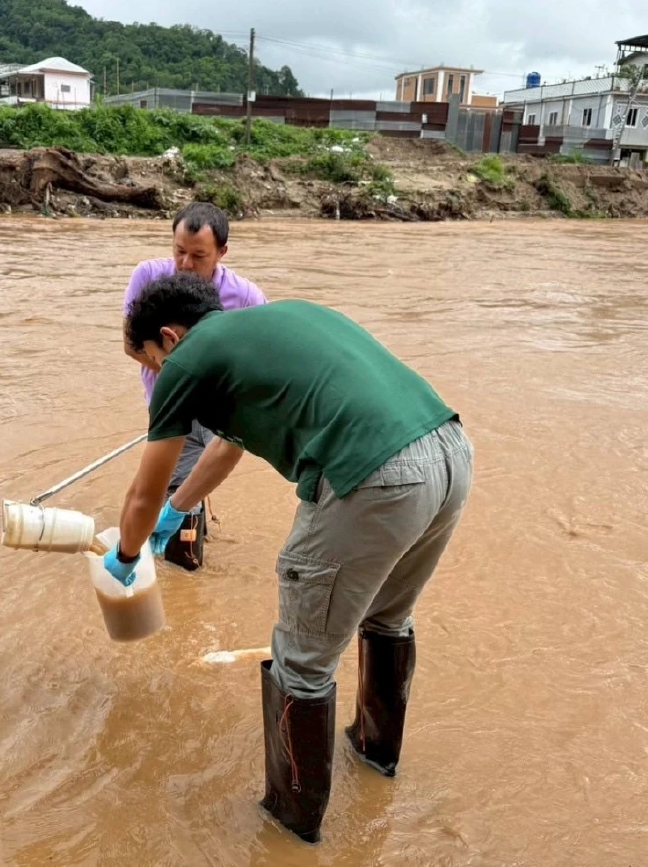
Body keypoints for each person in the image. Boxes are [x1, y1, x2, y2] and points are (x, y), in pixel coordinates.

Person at [104, 273, 473, 844]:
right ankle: (376, 763)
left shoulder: (185, 361)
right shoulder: (275, 323)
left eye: (150, 361)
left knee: (300, 663)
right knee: (386, 619)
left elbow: (139, 494)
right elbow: (228, 446)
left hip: (375, 476)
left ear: (170, 339)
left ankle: (288, 827)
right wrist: (181, 509)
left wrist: (126, 553)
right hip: (449, 456)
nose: (155, 375)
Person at [122, 202, 266, 572]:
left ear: (221, 253)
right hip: (171, 404)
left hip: (222, 408)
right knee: (174, 487)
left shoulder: (247, 297)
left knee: (192, 485)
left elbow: (256, 363)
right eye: (179, 251)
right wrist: (181, 381)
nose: (185, 264)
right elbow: (131, 344)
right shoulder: (148, 277)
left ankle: (182, 554)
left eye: (198, 255)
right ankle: (181, 569)